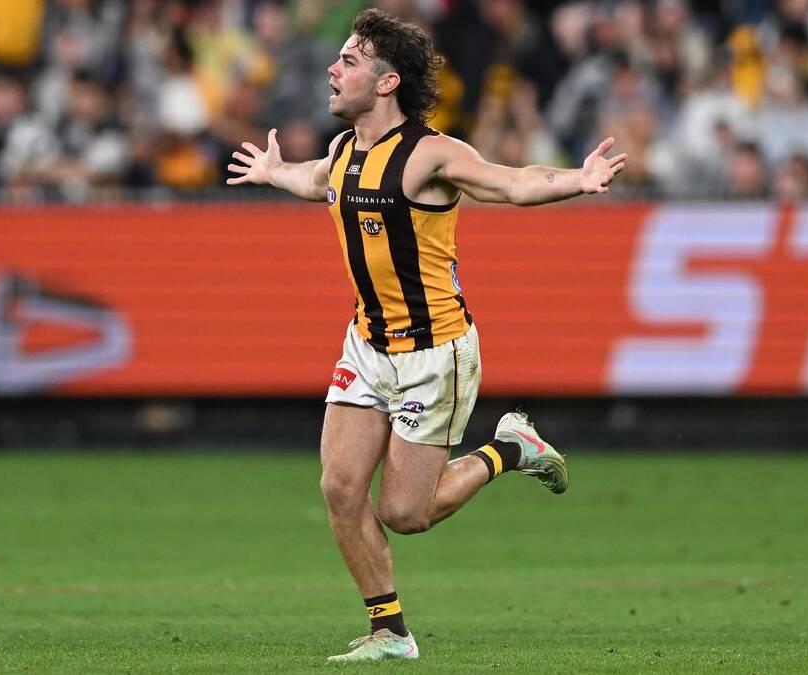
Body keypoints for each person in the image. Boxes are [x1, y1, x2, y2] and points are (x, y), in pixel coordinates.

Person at [225, 8, 627, 662]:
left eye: (350, 60)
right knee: (339, 487)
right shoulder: (343, 149)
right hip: (367, 345)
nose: (333, 68)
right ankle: (390, 632)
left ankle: (509, 449)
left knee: (406, 513)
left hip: (433, 354)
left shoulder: (431, 154)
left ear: (387, 83)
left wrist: (578, 180)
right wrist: (276, 173)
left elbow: (511, 182)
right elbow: (317, 180)